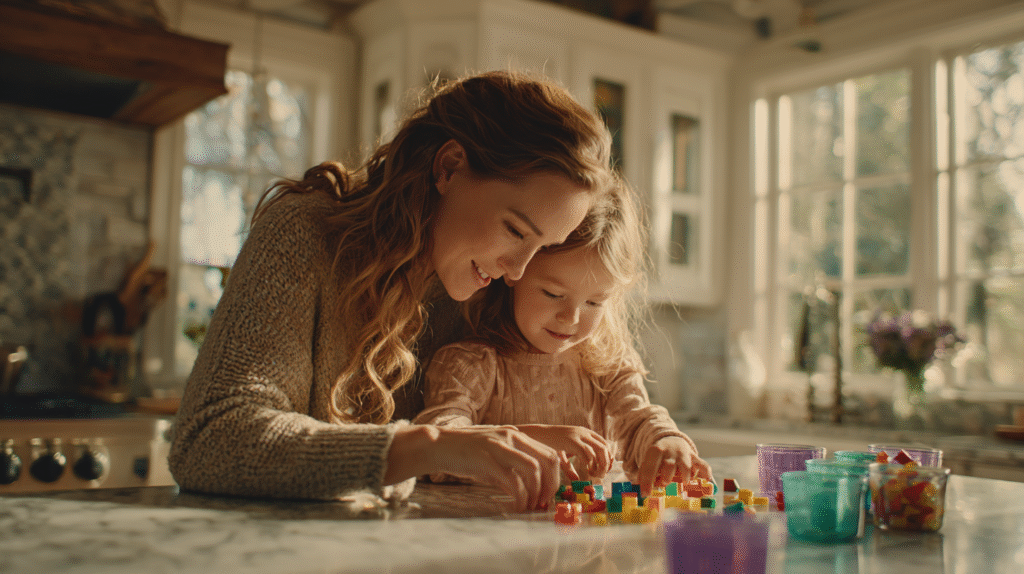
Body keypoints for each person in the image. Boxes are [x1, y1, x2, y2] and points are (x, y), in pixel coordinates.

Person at [168, 70, 620, 511]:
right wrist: (426, 445)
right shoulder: (303, 234)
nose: (519, 271)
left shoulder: (488, 293)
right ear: (449, 167)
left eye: (542, 247)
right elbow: (211, 438)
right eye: (515, 229)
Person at [413, 184, 713, 497]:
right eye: (553, 294)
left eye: (594, 302)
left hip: (585, 539)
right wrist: (534, 439)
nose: (571, 317)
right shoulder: (470, 364)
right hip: (491, 537)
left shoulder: (608, 363)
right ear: (514, 274)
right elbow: (437, 444)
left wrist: (666, 441)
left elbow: (638, 419)